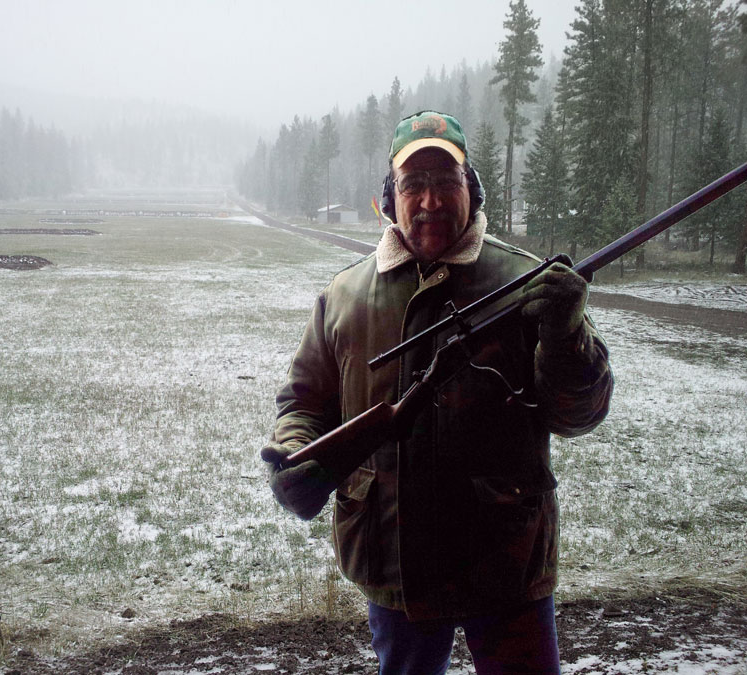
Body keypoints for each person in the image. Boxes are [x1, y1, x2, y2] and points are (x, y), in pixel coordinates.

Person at [261, 110, 613, 674]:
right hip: (394, 558)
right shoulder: (345, 295)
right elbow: (304, 401)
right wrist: (296, 453)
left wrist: (565, 331)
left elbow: (578, 415)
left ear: (470, 189)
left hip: (506, 556)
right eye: (413, 185)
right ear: (388, 197)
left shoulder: (527, 283)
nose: (430, 201)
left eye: (446, 182)